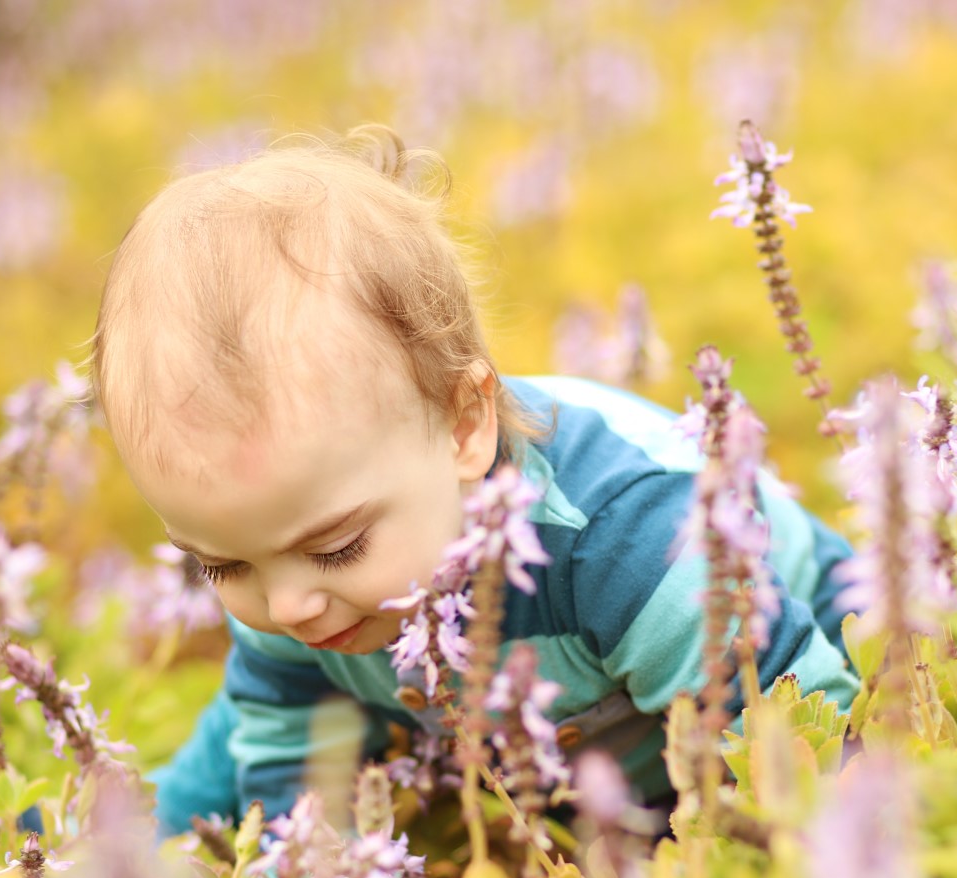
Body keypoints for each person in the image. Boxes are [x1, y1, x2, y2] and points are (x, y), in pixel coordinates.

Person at [85, 125, 858, 836]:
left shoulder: (628, 543)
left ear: (462, 427)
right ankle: (97, 843)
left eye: (337, 546)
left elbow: (793, 734)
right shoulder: (288, 565)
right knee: (237, 745)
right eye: (220, 565)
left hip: (760, 658)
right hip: (524, 726)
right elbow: (292, 762)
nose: (287, 605)